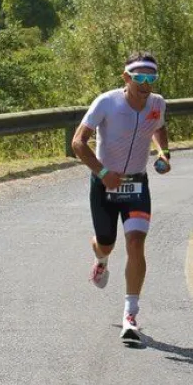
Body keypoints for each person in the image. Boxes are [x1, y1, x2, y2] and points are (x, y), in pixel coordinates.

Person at [70, 51, 171, 342]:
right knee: (106, 243)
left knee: (136, 242)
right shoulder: (107, 102)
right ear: (126, 78)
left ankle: (130, 315)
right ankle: (101, 260)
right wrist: (103, 173)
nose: (146, 83)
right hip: (103, 184)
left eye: (151, 78)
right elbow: (78, 142)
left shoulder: (157, 103)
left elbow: (159, 127)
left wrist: (164, 153)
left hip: (136, 185)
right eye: (139, 77)